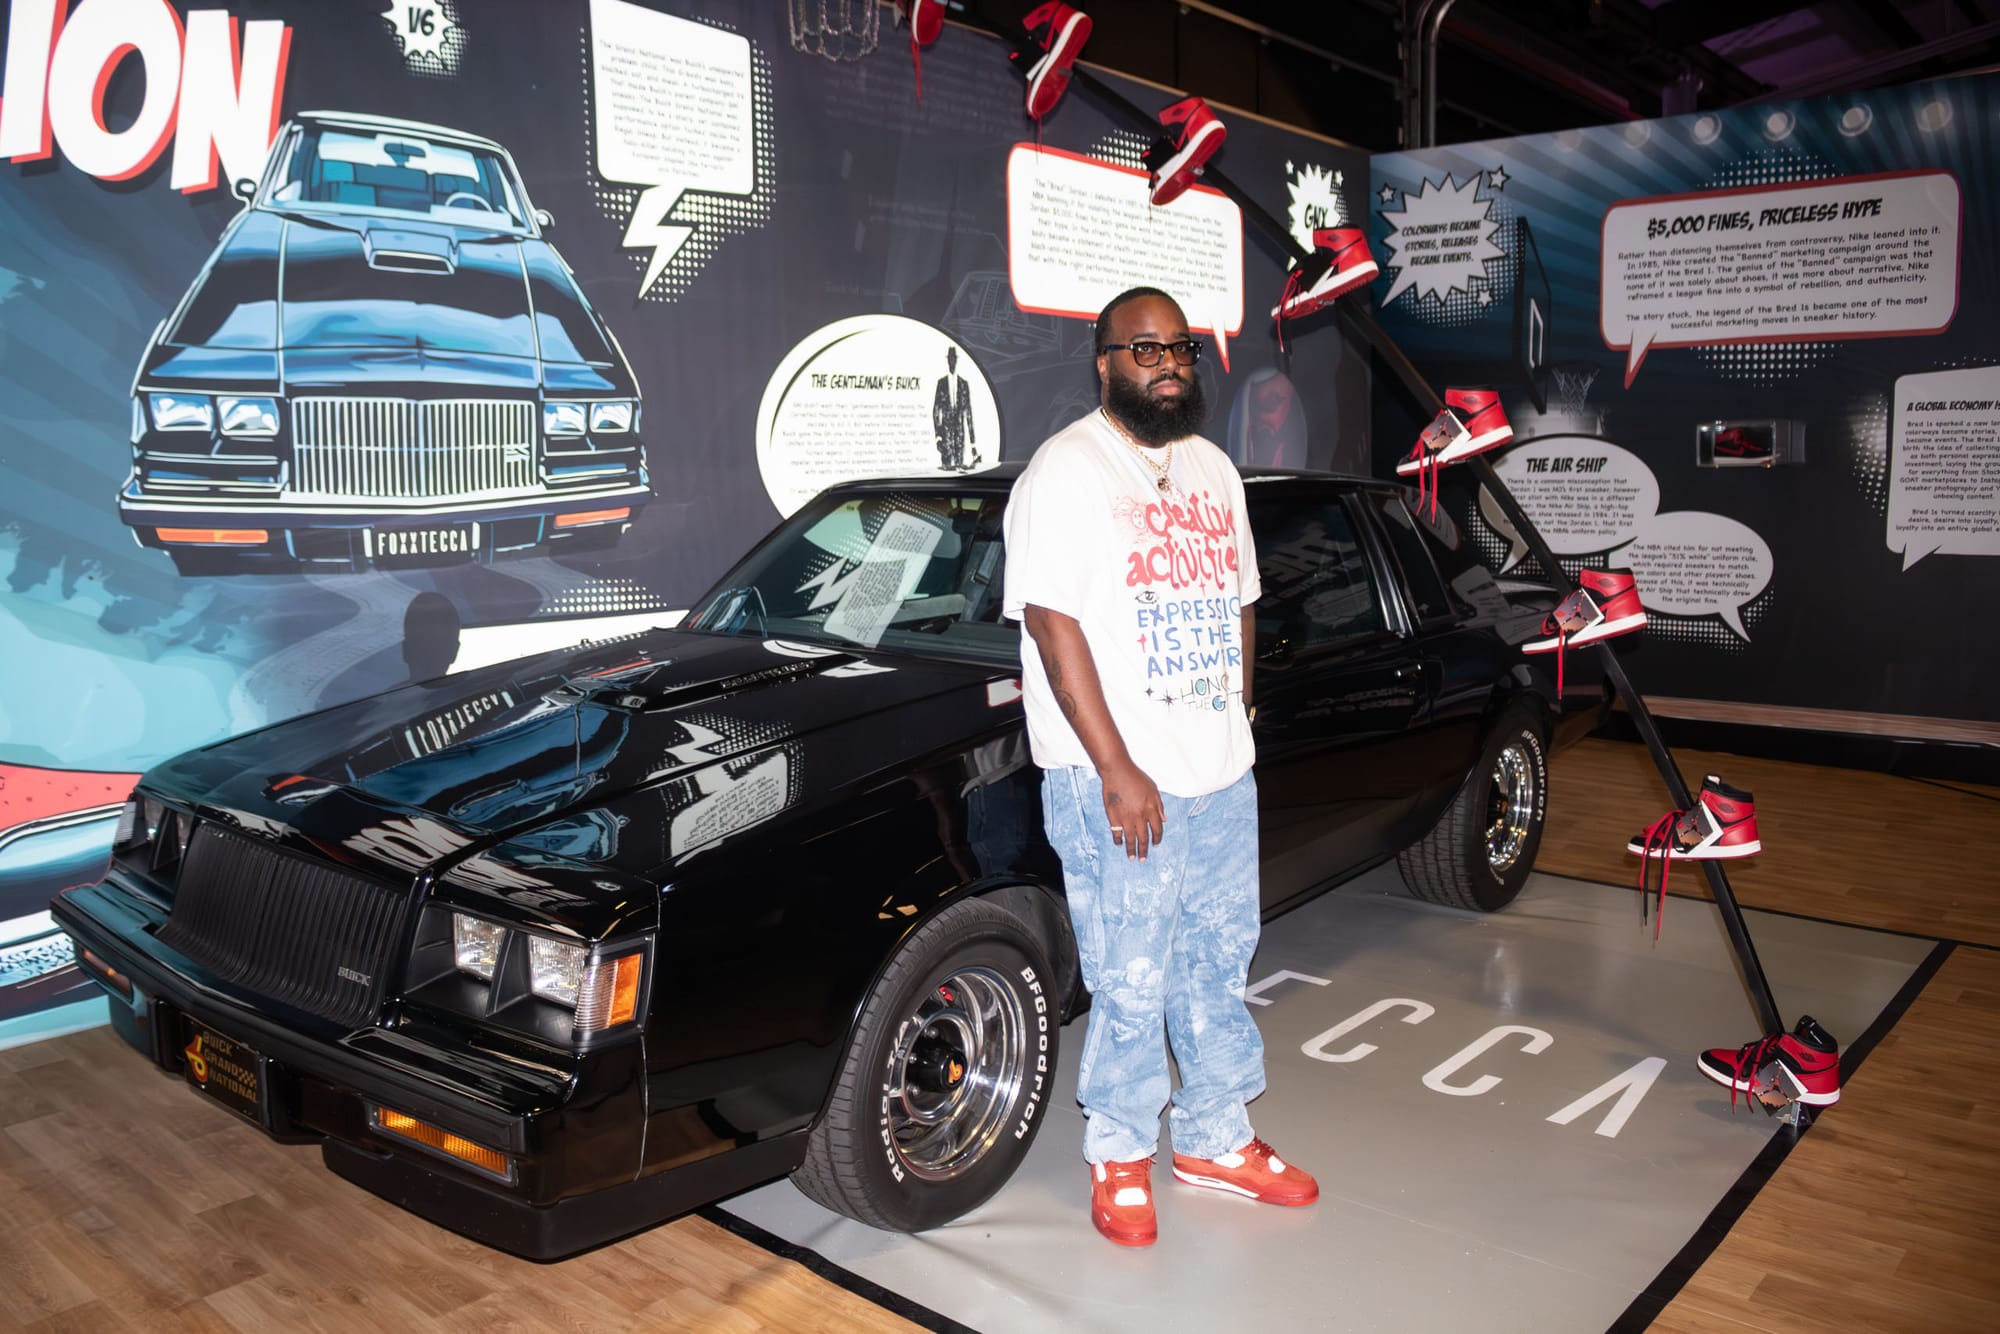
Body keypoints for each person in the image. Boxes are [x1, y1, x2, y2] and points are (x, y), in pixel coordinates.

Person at [1002, 287, 1316, 1248]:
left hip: (1220, 772)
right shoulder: (1065, 473)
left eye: (1179, 347)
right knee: (1132, 978)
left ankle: (1217, 1136)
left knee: (1220, 964)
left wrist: (1241, 705)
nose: (1168, 363)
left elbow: (1243, 599)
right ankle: (1120, 1152)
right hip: (1119, 783)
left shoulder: (1215, 470)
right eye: (1145, 350)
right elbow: (1052, 626)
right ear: (1104, 363)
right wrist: (1117, 768)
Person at [933, 346, 978, 471]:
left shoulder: (963, 384)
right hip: (945, 434)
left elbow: (968, 413)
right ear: (947, 361)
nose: (951, 362)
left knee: (959, 467)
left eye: (953, 359)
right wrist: (938, 436)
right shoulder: (941, 383)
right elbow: (936, 411)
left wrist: (973, 442)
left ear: (956, 361)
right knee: (946, 469)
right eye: (950, 359)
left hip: (959, 434)